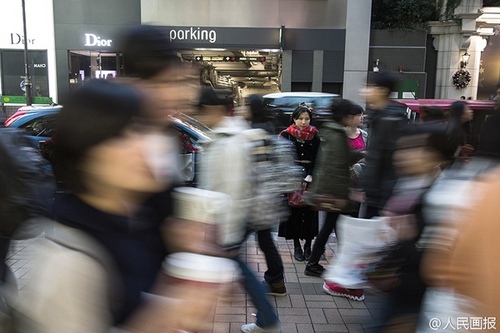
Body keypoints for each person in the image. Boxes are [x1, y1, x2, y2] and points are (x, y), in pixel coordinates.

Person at [14, 79, 176, 332]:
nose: (145, 146)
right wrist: (160, 321)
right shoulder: (65, 261)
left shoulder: (133, 217)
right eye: (121, 135)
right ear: (85, 152)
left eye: (145, 130)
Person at [194, 87, 281, 333]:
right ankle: (267, 319)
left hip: (229, 220)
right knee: (236, 268)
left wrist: (228, 237)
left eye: (200, 111)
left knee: (237, 267)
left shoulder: (229, 141)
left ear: (212, 110)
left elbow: (233, 191)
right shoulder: (225, 135)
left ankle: (268, 320)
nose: (199, 117)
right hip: (228, 219)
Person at [303, 100, 363, 292]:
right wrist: (345, 195)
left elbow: (341, 159)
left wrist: (361, 153)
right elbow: (336, 167)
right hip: (336, 192)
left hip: (332, 190)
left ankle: (315, 263)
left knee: (330, 228)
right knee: (338, 229)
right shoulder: (337, 134)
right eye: (352, 115)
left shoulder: (330, 131)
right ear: (345, 116)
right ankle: (329, 266)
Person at [247, 94, 286, 297]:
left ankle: (275, 280)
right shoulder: (268, 126)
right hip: (267, 195)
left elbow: (256, 166)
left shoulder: (255, 130)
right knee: (264, 241)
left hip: (257, 197)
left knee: (235, 244)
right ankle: (276, 280)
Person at [356, 71, 409, 218]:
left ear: (383, 91)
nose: (364, 90)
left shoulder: (390, 120)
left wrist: (388, 200)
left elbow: (390, 162)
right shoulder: (378, 116)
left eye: (369, 86)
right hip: (376, 194)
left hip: (384, 197)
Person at [278, 103, 320, 262]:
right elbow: (281, 159)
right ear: (294, 119)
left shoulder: (315, 135)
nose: (303, 122)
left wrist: (310, 175)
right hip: (292, 177)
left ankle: (308, 245)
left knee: (310, 213)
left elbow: (317, 158)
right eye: (300, 118)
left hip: (311, 178)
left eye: (307, 119)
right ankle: (297, 245)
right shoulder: (285, 135)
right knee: (294, 213)